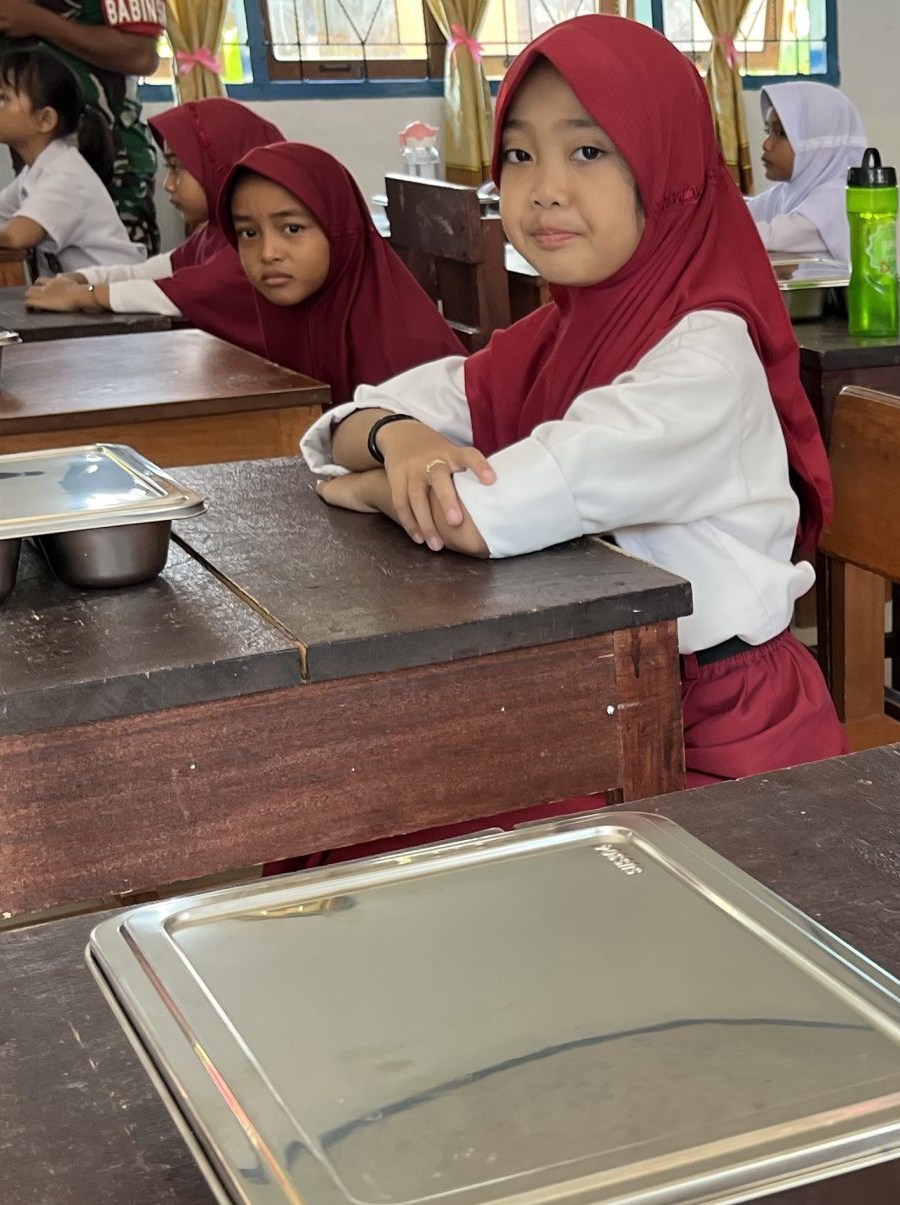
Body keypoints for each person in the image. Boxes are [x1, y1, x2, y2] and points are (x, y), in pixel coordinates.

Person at [301, 14, 843, 807]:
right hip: (597, 693)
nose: (545, 188)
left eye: (588, 151)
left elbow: (474, 515)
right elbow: (343, 426)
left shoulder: (705, 360)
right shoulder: (559, 332)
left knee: (399, 820)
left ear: (667, 168)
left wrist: (371, 483)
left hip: (721, 736)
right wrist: (399, 438)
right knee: (364, 806)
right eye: (520, 155)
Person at [209, 141, 463, 404]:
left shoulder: (404, 353)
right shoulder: (284, 313)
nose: (268, 253)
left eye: (293, 229)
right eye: (249, 233)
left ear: (339, 231)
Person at [24, 97, 281, 320]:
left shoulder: (253, 241)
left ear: (219, 166)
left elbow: (179, 293)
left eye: (177, 168)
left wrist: (83, 296)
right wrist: (82, 279)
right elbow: (147, 272)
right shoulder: (214, 234)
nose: (168, 184)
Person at [0, 0, 165, 252]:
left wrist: (38, 20)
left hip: (112, 159)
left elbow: (142, 56)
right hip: (37, 149)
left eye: (2, 97)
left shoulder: (67, 173)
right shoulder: (41, 169)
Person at [0, 48, 146, 276]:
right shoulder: (36, 170)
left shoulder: (64, 175)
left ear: (45, 119)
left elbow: (17, 235)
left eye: (3, 98)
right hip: (82, 292)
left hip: (115, 291)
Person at [746, 82, 865, 268]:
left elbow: (760, 236)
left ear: (817, 144)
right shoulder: (786, 192)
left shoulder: (837, 200)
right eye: (768, 131)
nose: (766, 144)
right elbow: (742, 213)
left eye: (781, 133)